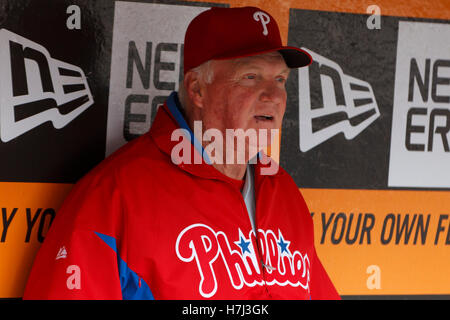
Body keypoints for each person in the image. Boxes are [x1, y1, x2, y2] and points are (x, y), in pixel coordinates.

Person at [23, 6, 340, 300]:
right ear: (197, 89)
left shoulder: (283, 191)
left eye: (281, 79)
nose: (273, 95)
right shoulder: (115, 196)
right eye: (251, 76)